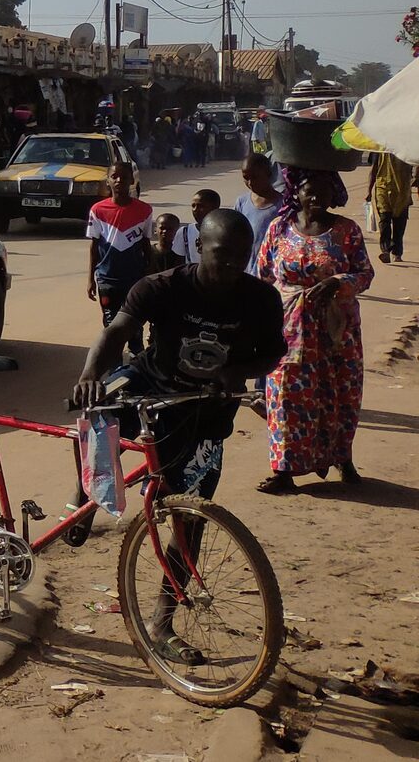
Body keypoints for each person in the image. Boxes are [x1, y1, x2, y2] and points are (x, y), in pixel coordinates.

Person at [69, 209, 287, 660]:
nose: (229, 267)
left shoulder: (261, 299)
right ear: (200, 248)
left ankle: (162, 623)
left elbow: (270, 355)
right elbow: (117, 332)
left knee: (191, 520)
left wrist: (238, 371)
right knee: (99, 410)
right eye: (220, 256)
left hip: (207, 409)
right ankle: (85, 498)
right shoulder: (162, 286)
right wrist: (90, 373)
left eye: (239, 259)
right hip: (151, 383)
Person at [255, 167, 375, 493]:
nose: (317, 197)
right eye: (311, 190)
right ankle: (283, 471)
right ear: (298, 193)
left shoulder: (346, 231)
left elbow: (364, 274)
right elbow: (263, 274)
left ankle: (341, 457)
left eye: (324, 190)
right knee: (284, 395)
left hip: (337, 332)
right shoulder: (279, 229)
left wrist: (338, 282)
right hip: (289, 329)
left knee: (340, 394)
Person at [86, 161, 153, 358]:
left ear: (132, 180)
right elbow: (93, 246)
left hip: (134, 277)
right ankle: (114, 366)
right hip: (107, 277)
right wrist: (90, 278)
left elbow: (146, 244)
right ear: (108, 181)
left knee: (135, 324)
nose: (118, 180)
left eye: (124, 177)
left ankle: (136, 366)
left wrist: (149, 273)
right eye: (114, 176)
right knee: (110, 323)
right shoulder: (98, 210)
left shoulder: (145, 210)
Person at [232, 154, 281, 271]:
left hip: (272, 270)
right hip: (247, 269)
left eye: (255, 177)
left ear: (268, 174)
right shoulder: (241, 202)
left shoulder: (283, 205)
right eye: (245, 177)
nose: (250, 182)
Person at [371, 152, 411, 264]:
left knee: (399, 223)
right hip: (383, 188)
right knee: (384, 221)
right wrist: (369, 190)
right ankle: (385, 250)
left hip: (402, 191)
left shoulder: (407, 149)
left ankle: (397, 252)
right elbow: (374, 169)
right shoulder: (380, 149)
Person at [171, 189, 220, 264]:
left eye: (201, 206)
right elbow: (179, 262)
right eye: (193, 206)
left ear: (215, 208)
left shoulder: (223, 232)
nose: (195, 210)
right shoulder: (184, 232)